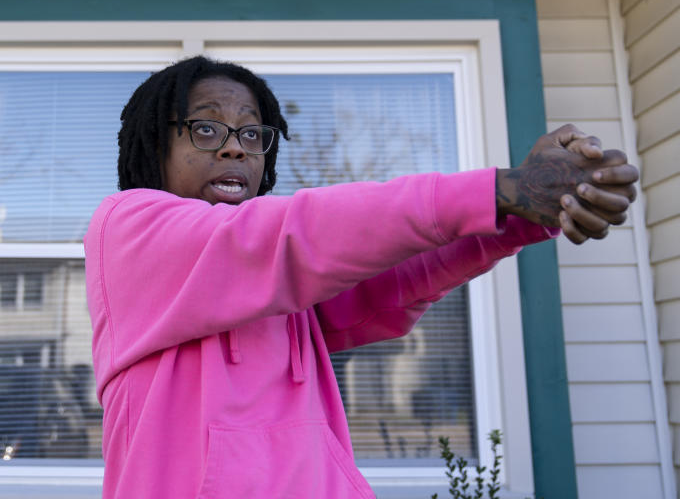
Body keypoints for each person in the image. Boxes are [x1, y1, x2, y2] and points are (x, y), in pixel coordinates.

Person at [83, 56, 637, 499]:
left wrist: (516, 217)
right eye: (206, 128)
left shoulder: (279, 279)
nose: (234, 145)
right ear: (155, 145)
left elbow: (389, 284)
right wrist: (497, 188)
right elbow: (296, 234)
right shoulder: (129, 228)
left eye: (253, 135)